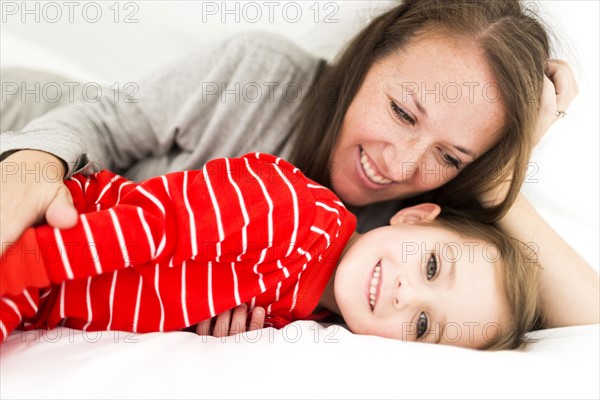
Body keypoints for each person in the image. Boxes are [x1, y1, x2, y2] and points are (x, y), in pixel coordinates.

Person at [0, 0, 597, 336]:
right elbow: (102, 124)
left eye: (450, 155)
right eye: (400, 111)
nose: (400, 163)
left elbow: (588, 330)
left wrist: (503, 176)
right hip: (35, 121)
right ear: (366, 59)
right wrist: (28, 167)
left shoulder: (416, 241)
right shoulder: (264, 78)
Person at [0, 152, 541, 350]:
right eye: (430, 266)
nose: (405, 294)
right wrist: (23, 267)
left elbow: (169, 293)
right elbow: (154, 227)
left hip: (50, 299)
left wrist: (206, 333)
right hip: (54, 233)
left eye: (424, 324)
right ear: (416, 216)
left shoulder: (315, 317)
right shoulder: (295, 213)